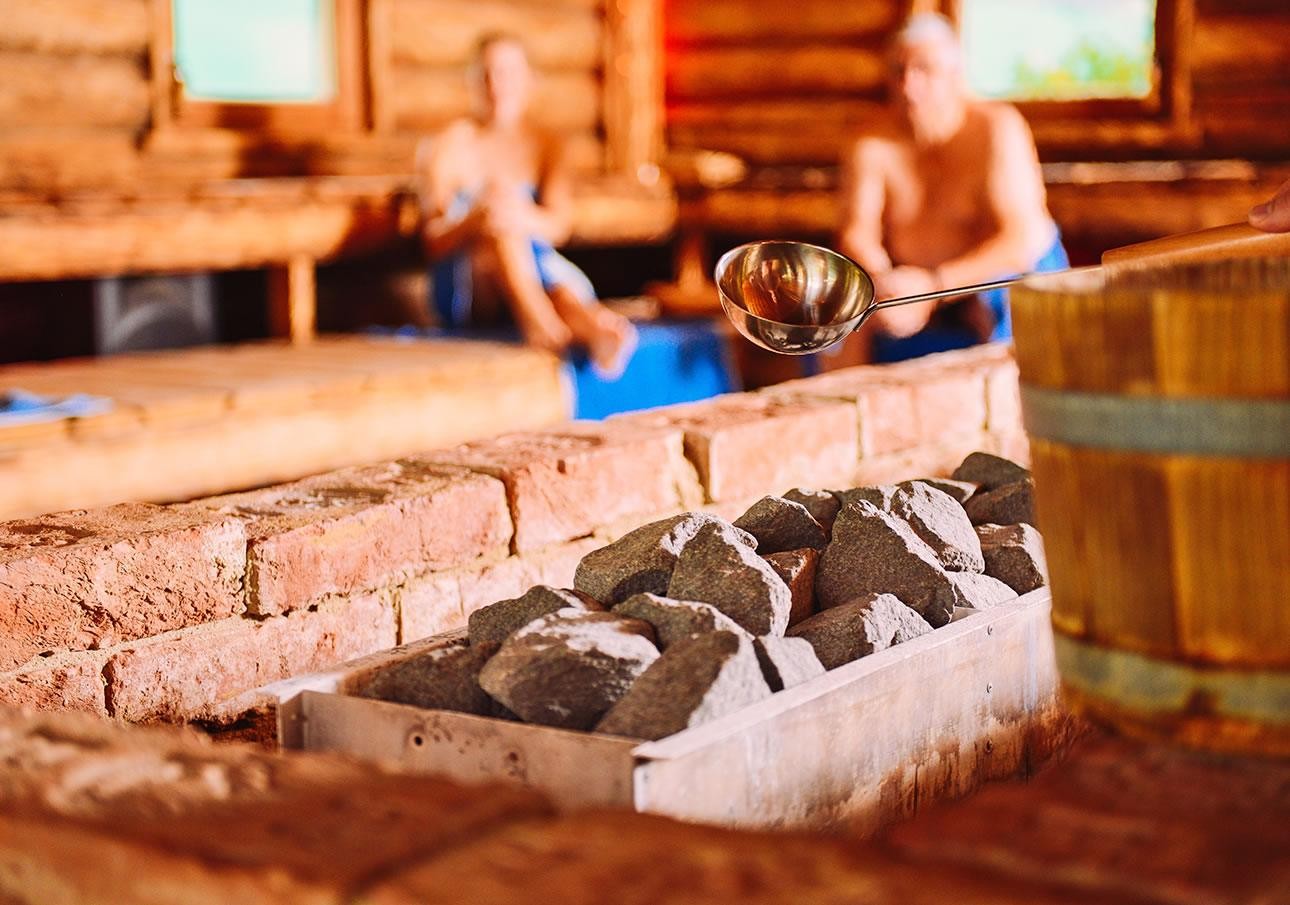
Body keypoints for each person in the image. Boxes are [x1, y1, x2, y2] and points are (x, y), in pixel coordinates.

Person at [832, 13, 1067, 365]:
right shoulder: (870, 142)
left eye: (925, 70)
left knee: (1002, 293)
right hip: (912, 285)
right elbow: (857, 231)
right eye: (899, 71)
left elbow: (1022, 240)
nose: (909, 86)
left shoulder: (996, 129)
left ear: (956, 76)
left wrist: (934, 286)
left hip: (990, 283)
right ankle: (845, 408)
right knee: (845, 310)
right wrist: (886, 284)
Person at [416, 33, 636, 377]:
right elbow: (433, 240)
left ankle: (590, 330)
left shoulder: (546, 145)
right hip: (469, 285)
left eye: (506, 74)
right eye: (486, 74)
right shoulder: (448, 145)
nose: (496, 85)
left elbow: (559, 226)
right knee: (499, 229)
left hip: (536, 268)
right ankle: (544, 324)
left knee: (519, 236)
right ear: (472, 82)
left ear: (529, 82)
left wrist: (518, 215)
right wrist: (477, 219)